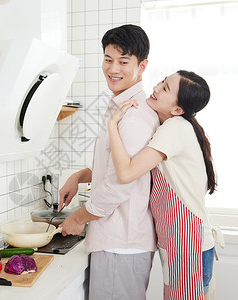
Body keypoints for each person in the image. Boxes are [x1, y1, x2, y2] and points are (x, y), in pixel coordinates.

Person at [58, 24, 159, 300]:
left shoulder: (135, 116)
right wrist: (78, 176)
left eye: (124, 61)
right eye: (108, 59)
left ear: (142, 65)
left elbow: (120, 183)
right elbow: (114, 165)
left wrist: (78, 219)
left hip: (121, 245)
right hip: (116, 243)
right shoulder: (121, 106)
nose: (114, 69)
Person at [108, 70, 218, 300]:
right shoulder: (175, 126)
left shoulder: (174, 128)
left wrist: (112, 124)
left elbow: (126, 172)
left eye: (166, 88)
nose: (156, 87)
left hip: (189, 245)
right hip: (185, 243)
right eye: (162, 81)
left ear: (178, 110)